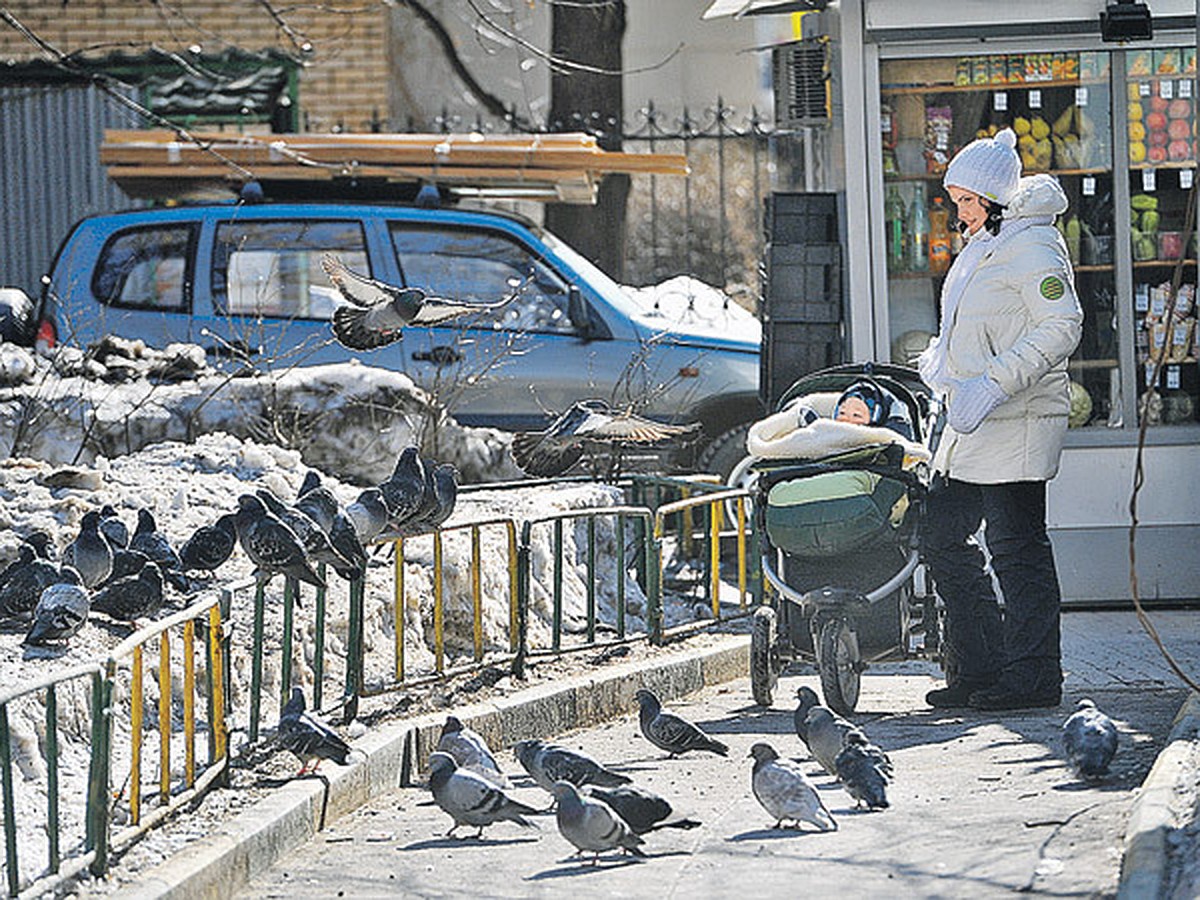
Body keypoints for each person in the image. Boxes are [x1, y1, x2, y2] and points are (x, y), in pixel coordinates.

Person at [917, 128, 1083, 711]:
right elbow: (976, 323)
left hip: (1016, 420)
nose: (958, 211)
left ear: (996, 198)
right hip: (971, 426)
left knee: (1017, 548)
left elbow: (1062, 326)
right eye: (955, 199)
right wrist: (942, 364)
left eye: (966, 200)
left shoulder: (1032, 244)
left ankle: (1034, 679)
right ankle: (981, 667)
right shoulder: (987, 241)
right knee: (939, 537)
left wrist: (991, 383)